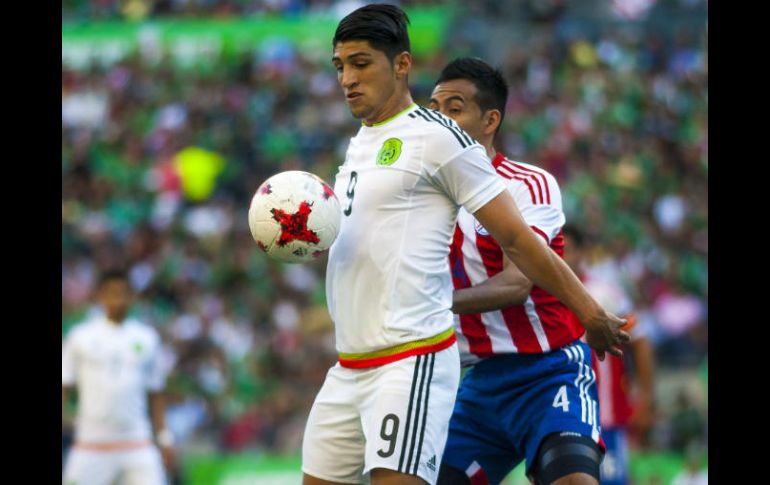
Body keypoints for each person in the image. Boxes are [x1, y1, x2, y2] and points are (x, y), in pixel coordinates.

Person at [302, 6, 628, 485]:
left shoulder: (447, 146)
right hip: (418, 370)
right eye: (340, 66)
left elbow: (518, 252)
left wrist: (589, 311)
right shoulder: (361, 146)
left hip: (464, 364)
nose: (347, 79)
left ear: (402, 64)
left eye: (361, 63)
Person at [428, 57, 608, 485]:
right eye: (433, 108)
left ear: (490, 120)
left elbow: (516, 283)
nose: (439, 119)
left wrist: (429, 301)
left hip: (547, 372)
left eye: (454, 108)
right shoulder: (420, 201)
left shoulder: (527, 184)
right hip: (478, 384)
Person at [562, 225, 657, 485]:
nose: (562, 256)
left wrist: (646, 400)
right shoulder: (541, 295)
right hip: (561, 418)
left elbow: (641, 340)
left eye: (568, 249)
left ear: (583, 252)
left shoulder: (603, 293)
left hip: (605, 419)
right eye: (557, 249)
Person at [62, 269, 174, 485]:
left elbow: (157, 392)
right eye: (112, 293)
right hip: (91, 443)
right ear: (100, 296)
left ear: (132, 297)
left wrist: (164, 437)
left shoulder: (147, 338)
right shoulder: (80, 337)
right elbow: (64, 385)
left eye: (124, 293)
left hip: (136, 442)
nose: (118, 300)